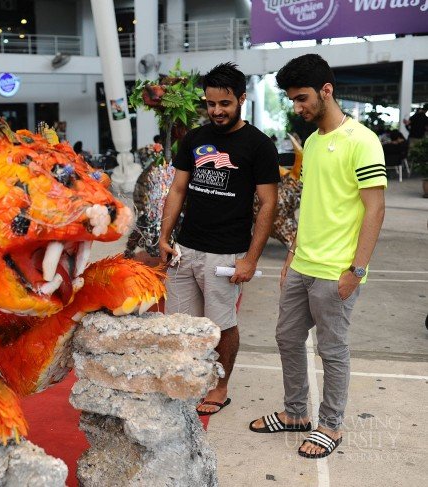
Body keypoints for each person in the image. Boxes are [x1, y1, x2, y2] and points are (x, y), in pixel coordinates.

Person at [249, 54, 386, 459]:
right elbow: (311, 203)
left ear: (327, 90)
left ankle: (330, 425)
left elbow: (375, 209)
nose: (297, 107)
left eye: (302, 98)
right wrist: (292, 252)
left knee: (332, 350)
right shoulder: (311, 141)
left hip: (336, 271)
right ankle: (295, 415)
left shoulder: (361, 140)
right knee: (287, 337)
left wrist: (356, 270)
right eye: (292, 100)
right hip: (302, 263)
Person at [159, 62, 279, 415]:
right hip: (185, 248)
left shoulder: (258, 145)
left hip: (225, 254)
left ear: (241, 99)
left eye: (224, 104)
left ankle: (220, 385)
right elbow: (178, 188)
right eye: (211, 104)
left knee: (222, 326)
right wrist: (164, 238)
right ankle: (188, 378)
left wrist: (251, 259)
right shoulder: (194, 139)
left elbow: (268, 203)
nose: (216, 111)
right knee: (180, 326)